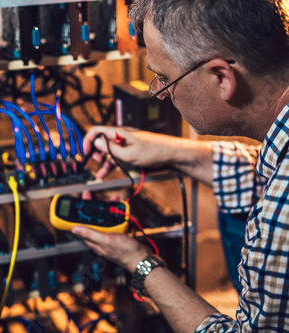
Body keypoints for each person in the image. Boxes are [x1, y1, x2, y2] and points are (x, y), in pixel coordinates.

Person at [71, 0, 289, 332]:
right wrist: (171, 151)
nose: (159, 92)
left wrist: (139, 262)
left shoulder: (277, 216)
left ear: (221, 77)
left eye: (164, 78)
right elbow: (266, 175)